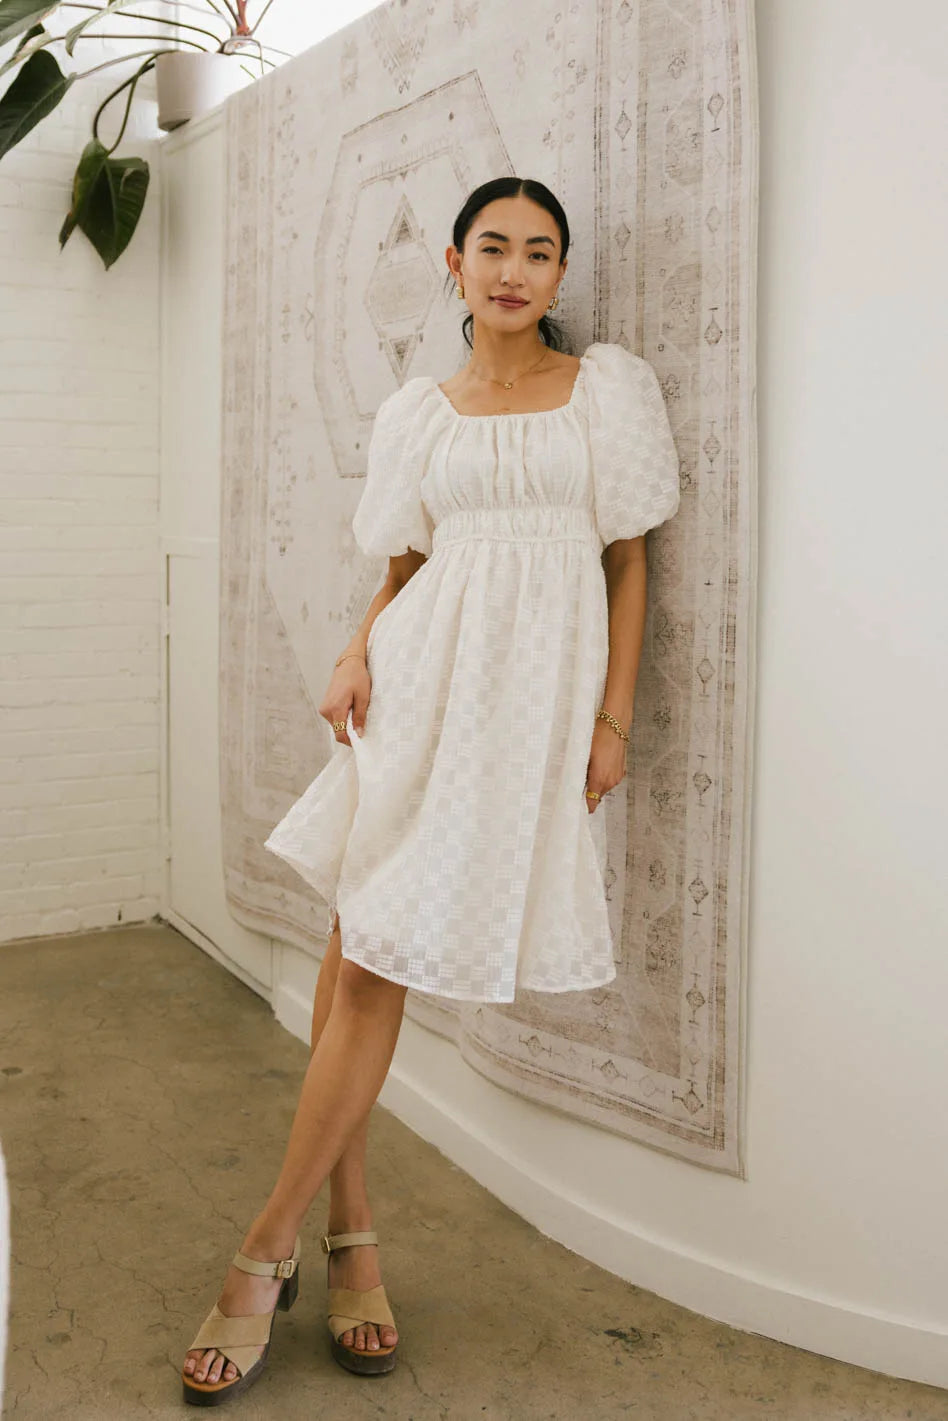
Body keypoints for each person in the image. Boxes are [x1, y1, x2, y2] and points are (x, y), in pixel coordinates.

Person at [181, 175, 681, 1405]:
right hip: (412, 692)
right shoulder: (422, 412)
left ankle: (313, 1238)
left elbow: (629, 563)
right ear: (454, 264)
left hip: (521, 721)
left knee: (369, 959)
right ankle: (298, 1243)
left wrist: (613, 719)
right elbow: (407, 569)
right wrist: (357, 652)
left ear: (559, 275)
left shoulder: (603, 392)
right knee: (360, 956)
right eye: (494, 247)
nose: (515, 270)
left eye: (540, 252)